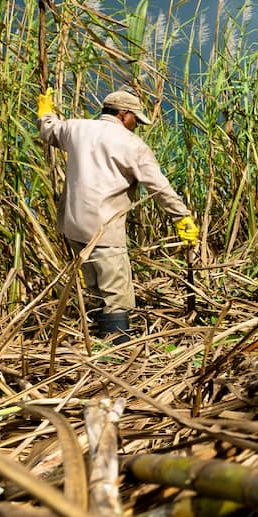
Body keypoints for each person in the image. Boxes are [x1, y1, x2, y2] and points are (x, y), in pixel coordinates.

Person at [36, 87, 199, 342]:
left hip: (73, 226)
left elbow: (49, 130)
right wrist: (182, 217)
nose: (137, 126)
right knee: (117, 297)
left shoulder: (75, 128)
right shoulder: (132, 144)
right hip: (104, 229)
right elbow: (159, 186)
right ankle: (117, 353)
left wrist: (46, 111)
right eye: (136, 119)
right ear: (124, 115)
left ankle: (97, 342)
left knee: (94, 289)